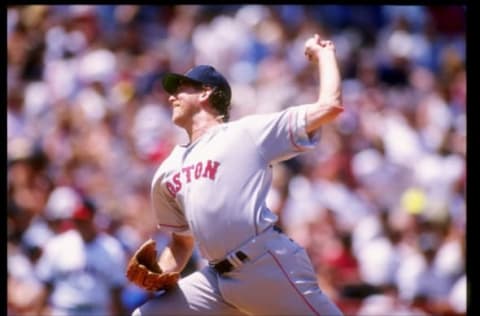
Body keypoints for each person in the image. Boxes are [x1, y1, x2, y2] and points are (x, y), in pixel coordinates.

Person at [128, 33, 345, 315]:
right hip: (217, 280)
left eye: (181, 89)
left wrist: (325, 54)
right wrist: (160, 270)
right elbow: (182, 243)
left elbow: (329, 106)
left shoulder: (245, 133)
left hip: (265, 265)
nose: (172, 97)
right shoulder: (168, 169)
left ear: (205, 93)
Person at [35, 195, 128, 316]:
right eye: (77, 220)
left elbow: (116, 291)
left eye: (84, 220)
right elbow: (46, 285)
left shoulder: (112, 248)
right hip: (64, 310)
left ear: (94, 219)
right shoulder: (58, 245)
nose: (80, 224)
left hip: (96, 310)